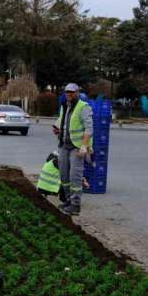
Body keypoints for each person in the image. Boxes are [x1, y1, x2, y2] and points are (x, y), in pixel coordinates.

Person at [53, 83, 93, 216]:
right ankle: (69, 200)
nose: (68, 94)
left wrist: (84, 145)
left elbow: (89, 129)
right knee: (64, 175)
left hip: (77, 147)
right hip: (64, 145)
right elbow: (63, 122)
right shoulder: (65, 106)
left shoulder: (83, 107)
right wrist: (58, 129)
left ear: (77, 92)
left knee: (74, 176)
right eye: (67, 92)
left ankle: (76, 205)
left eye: (71, 92)